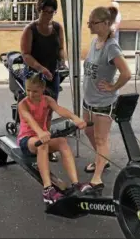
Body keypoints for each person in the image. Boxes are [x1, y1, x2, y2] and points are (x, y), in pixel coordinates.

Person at [17, 73, 93, 205]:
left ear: (42, 88)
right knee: (43, 145)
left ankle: (76, 183)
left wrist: (75, 118)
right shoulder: (23, 104)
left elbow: (60, 110)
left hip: (43, 137)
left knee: (62, 141)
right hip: (27, 140)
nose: (30, 94)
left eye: (34, 91)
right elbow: (29, 120)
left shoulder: (47, 100)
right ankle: (47, 189)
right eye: (28, 90)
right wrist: (40, 132)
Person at [83, 6, 131, 194]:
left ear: (105, 23)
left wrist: (112, 87)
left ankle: (98, 177)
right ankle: (101, 160)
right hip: (89, 99)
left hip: (103, 102)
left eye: (92, 23)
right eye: (89, 22)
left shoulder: (112, 46)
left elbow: (126, 73)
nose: (89, 26)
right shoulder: (96, 41)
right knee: (88, 132)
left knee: (100, 138)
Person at [20, 0, 67, 162]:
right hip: (34, 74)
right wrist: (41, 68)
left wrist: (62, 59)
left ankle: (47, 144)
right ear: (38, 10)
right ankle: (32, 139)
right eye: (45, 11)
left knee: (49, 109)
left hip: (52, 73)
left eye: (51, 12)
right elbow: (25, 54)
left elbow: (60, 48)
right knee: (34, 109)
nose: (48, 15)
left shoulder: (57, 28)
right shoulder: (30, 29)